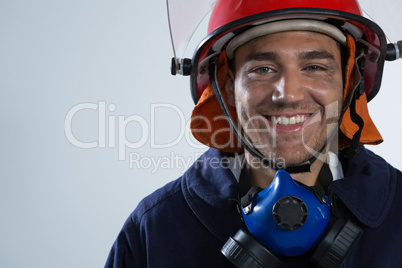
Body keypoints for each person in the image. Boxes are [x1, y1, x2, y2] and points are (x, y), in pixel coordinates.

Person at [105, 0, 402, 267]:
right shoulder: (154, 231)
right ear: (227, 86)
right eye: (262, 69)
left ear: (349, 80)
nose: (289, 94)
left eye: (314, 66)